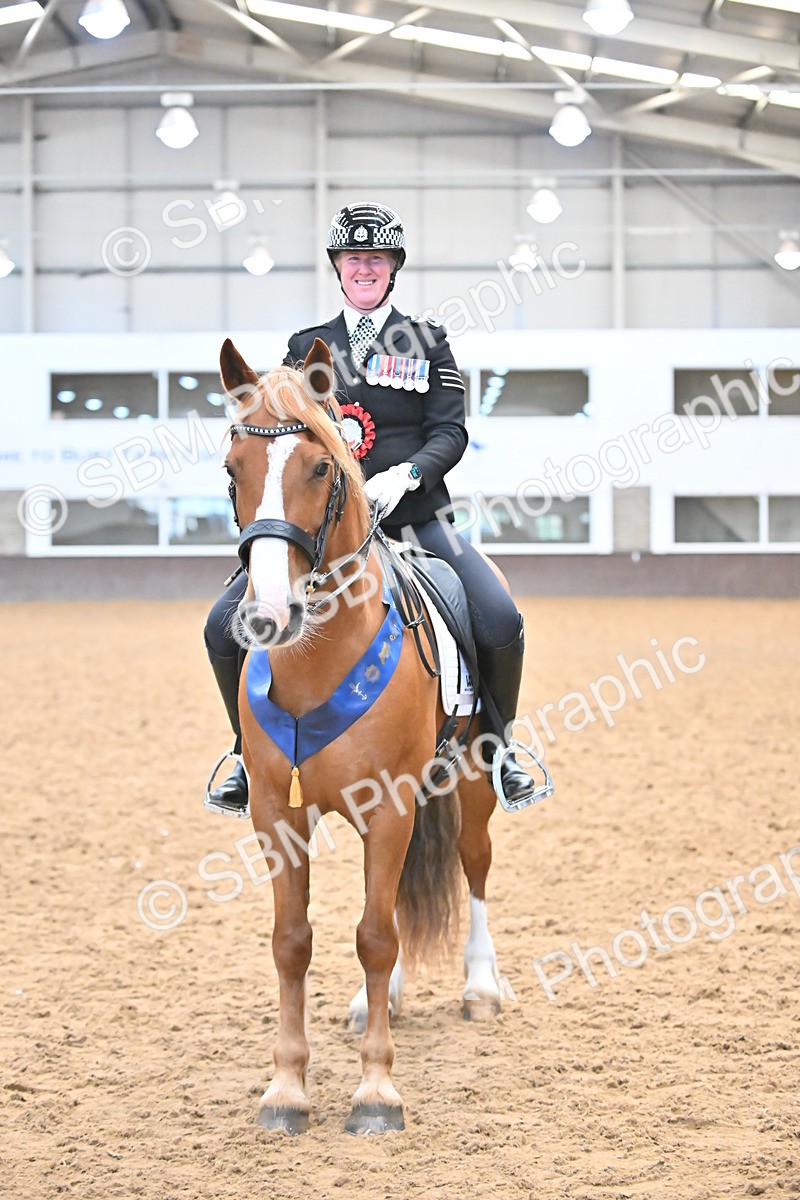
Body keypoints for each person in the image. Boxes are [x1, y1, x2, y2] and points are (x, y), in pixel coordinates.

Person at [205, 202, 539, 816]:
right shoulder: (306, 346)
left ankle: (499, 748)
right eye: (353, 258)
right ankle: (244, 756)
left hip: (418, 517)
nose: (365, 268)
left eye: (376, 259)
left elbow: (451, 432)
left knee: (498, 619)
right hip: (324, 529)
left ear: (392, 269)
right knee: (221, 630)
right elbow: (285, 435)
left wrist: (405, 475)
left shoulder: (430, 342)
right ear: (338, 268)